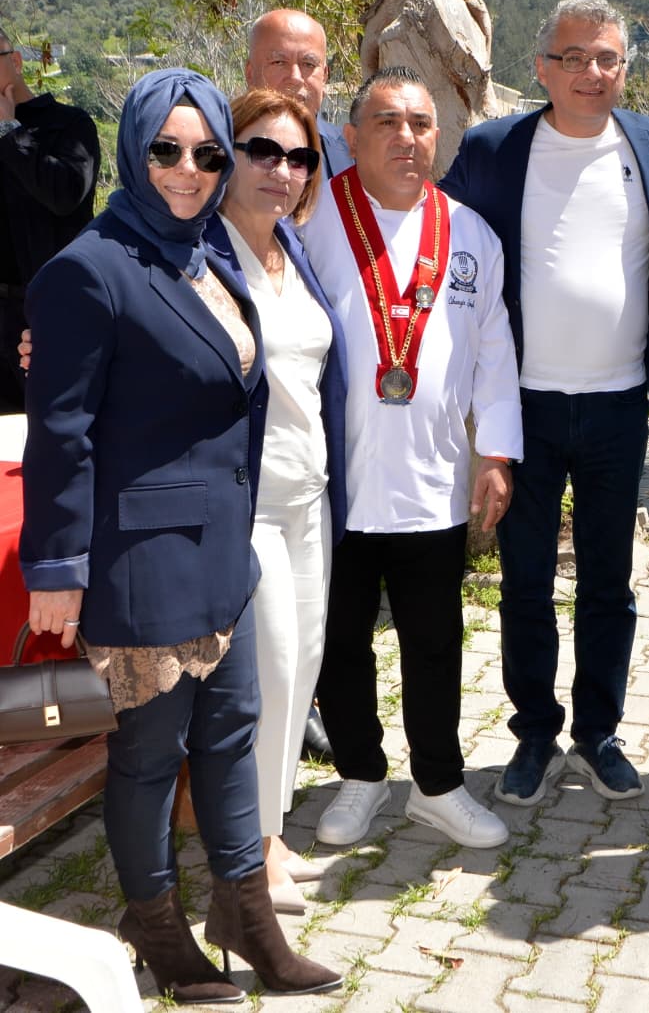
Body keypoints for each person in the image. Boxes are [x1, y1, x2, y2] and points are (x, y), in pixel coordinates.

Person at [20, 67, 340, 1002]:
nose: (189, 170)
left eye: (207, 153)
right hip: (142, 561)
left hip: (222, 552)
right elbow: (62, 434)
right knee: (151, 755)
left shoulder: (208, 256)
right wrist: (57, 566)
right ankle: (153, 924)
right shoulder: (88, 268)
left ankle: (247, 916)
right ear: (135, 149)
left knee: (233, 734)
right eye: (167, 149)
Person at [439, 0, 649, 804]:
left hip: (620, 407)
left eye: (608, 57)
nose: (592, 72)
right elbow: (438, 236)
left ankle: (599, 732)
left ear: (624, 67)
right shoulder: (495, 148)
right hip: (525, 409)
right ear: (542, 68)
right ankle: (535, 731)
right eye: (574, 57)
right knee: (526, 583)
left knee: (610, 583)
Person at [307, 66, 522, 850]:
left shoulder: (471, 234)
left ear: (441, 137)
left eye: (421, 124)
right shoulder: (311, 217)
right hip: (334, 481)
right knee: (341, 642)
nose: (407, 138)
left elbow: (495, 353)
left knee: (434, 642)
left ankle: (437, 785)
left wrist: (495, 452)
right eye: (387, 122)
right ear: (351, 137)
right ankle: (361, 776)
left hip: (433, 478)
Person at [209, 89, 348, 911]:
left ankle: (268, 832)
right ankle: (245, 856)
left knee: (302, 670)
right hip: (249, 502)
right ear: (226, 155)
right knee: (268, 671)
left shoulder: (291, 247)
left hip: (311, 495)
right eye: (262, 150)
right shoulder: (199, 252)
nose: (282, 169)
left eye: (299, 157)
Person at [0, 22, 99, 412]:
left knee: (53, 429)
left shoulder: (70, 125)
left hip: (48, 313)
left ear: (16, 60)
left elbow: (65, 196)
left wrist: (9, 131)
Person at [244, 8, 353, 179]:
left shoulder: (353, 154)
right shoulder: (222, 150)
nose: (295, 78)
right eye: (279, 62)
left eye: (308, 64)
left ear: (325, 76)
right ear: (250, 74)